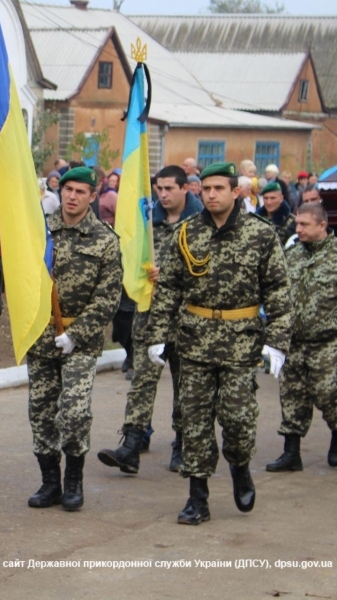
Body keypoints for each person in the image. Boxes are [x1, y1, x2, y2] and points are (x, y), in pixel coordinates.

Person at [144, 162, 293, 526]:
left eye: (219, 189)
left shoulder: (260, 235)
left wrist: (277, 341)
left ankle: (240, 467)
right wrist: (157, 335)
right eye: (206, 189)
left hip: (241, 342)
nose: (211, 194)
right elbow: (169, 289)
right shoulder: (186, 234)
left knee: (238, 419)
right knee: (193, 421)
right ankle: (198, 497)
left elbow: (278, 291)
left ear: (235, 192)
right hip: (194, 340)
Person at [25, 167, 122, 512]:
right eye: (67, 189)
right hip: (42, 337)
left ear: (93, 196)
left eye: (81, 191)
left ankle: (74, 480)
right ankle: (50, 481)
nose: (72, 196)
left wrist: (76, 334)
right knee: (41, 410)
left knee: (75, 411)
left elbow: (108, 298)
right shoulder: (40, 231)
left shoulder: (104, 240)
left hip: (80, 339)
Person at [98, 165, 203, 474]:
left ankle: (182, 444)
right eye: (160, 189)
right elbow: (128, 257)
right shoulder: (146, 223)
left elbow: (209, 274)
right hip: (149, 315)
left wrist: (171, 274)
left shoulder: (199, 225)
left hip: (187, 319)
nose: (164, 194)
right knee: (142, 381)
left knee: (186, 385)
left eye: (170, 188)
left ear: (185, 188)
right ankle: (131, 443)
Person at [265, 202, 337, 472]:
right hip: (293, 342)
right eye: (297, 224)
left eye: (305, 224)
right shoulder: (292, 254)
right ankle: (291, 453)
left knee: (330, 394)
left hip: (328, 342)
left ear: (322, 225)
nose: (299, 229)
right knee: (292, 396)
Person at [257, 182, 296, 246]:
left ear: (281, 198)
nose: (269, 202)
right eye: (266, 198)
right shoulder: (257, 219)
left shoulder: (291, 221)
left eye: (273, 198)